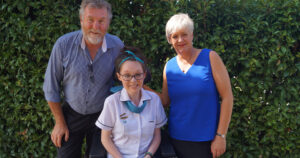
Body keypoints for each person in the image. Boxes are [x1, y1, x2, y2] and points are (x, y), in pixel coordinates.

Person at [145, 13, 233, 158]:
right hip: (176, 139)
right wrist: (142, 87)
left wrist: (221, 135)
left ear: (192, 35)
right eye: (175, 36)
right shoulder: (169, 66)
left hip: (206, 140)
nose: (180, 40)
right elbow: (165, 101)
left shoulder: (210, 57)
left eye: (184, 34)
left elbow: (227, 97)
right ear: (169, 39)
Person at [42, 0, 124, 157]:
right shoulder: (63, 45)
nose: (95, 27)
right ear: (81, 20)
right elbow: (50, 87)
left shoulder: (117, 46)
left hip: (103, 116)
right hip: (72, 114)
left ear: (108, 23)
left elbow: (123, 81)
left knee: (98, 156)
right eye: (90, 20)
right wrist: (59, 122)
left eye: (101, 21)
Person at [95, 47, 167, 158]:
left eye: (138, 74)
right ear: (119, 76)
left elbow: (157, 136)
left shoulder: (154, 100)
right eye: (127, 75)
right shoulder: (111, 103)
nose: (133, 81)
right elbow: (105, 139)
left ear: (144, 74)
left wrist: (148, 155)